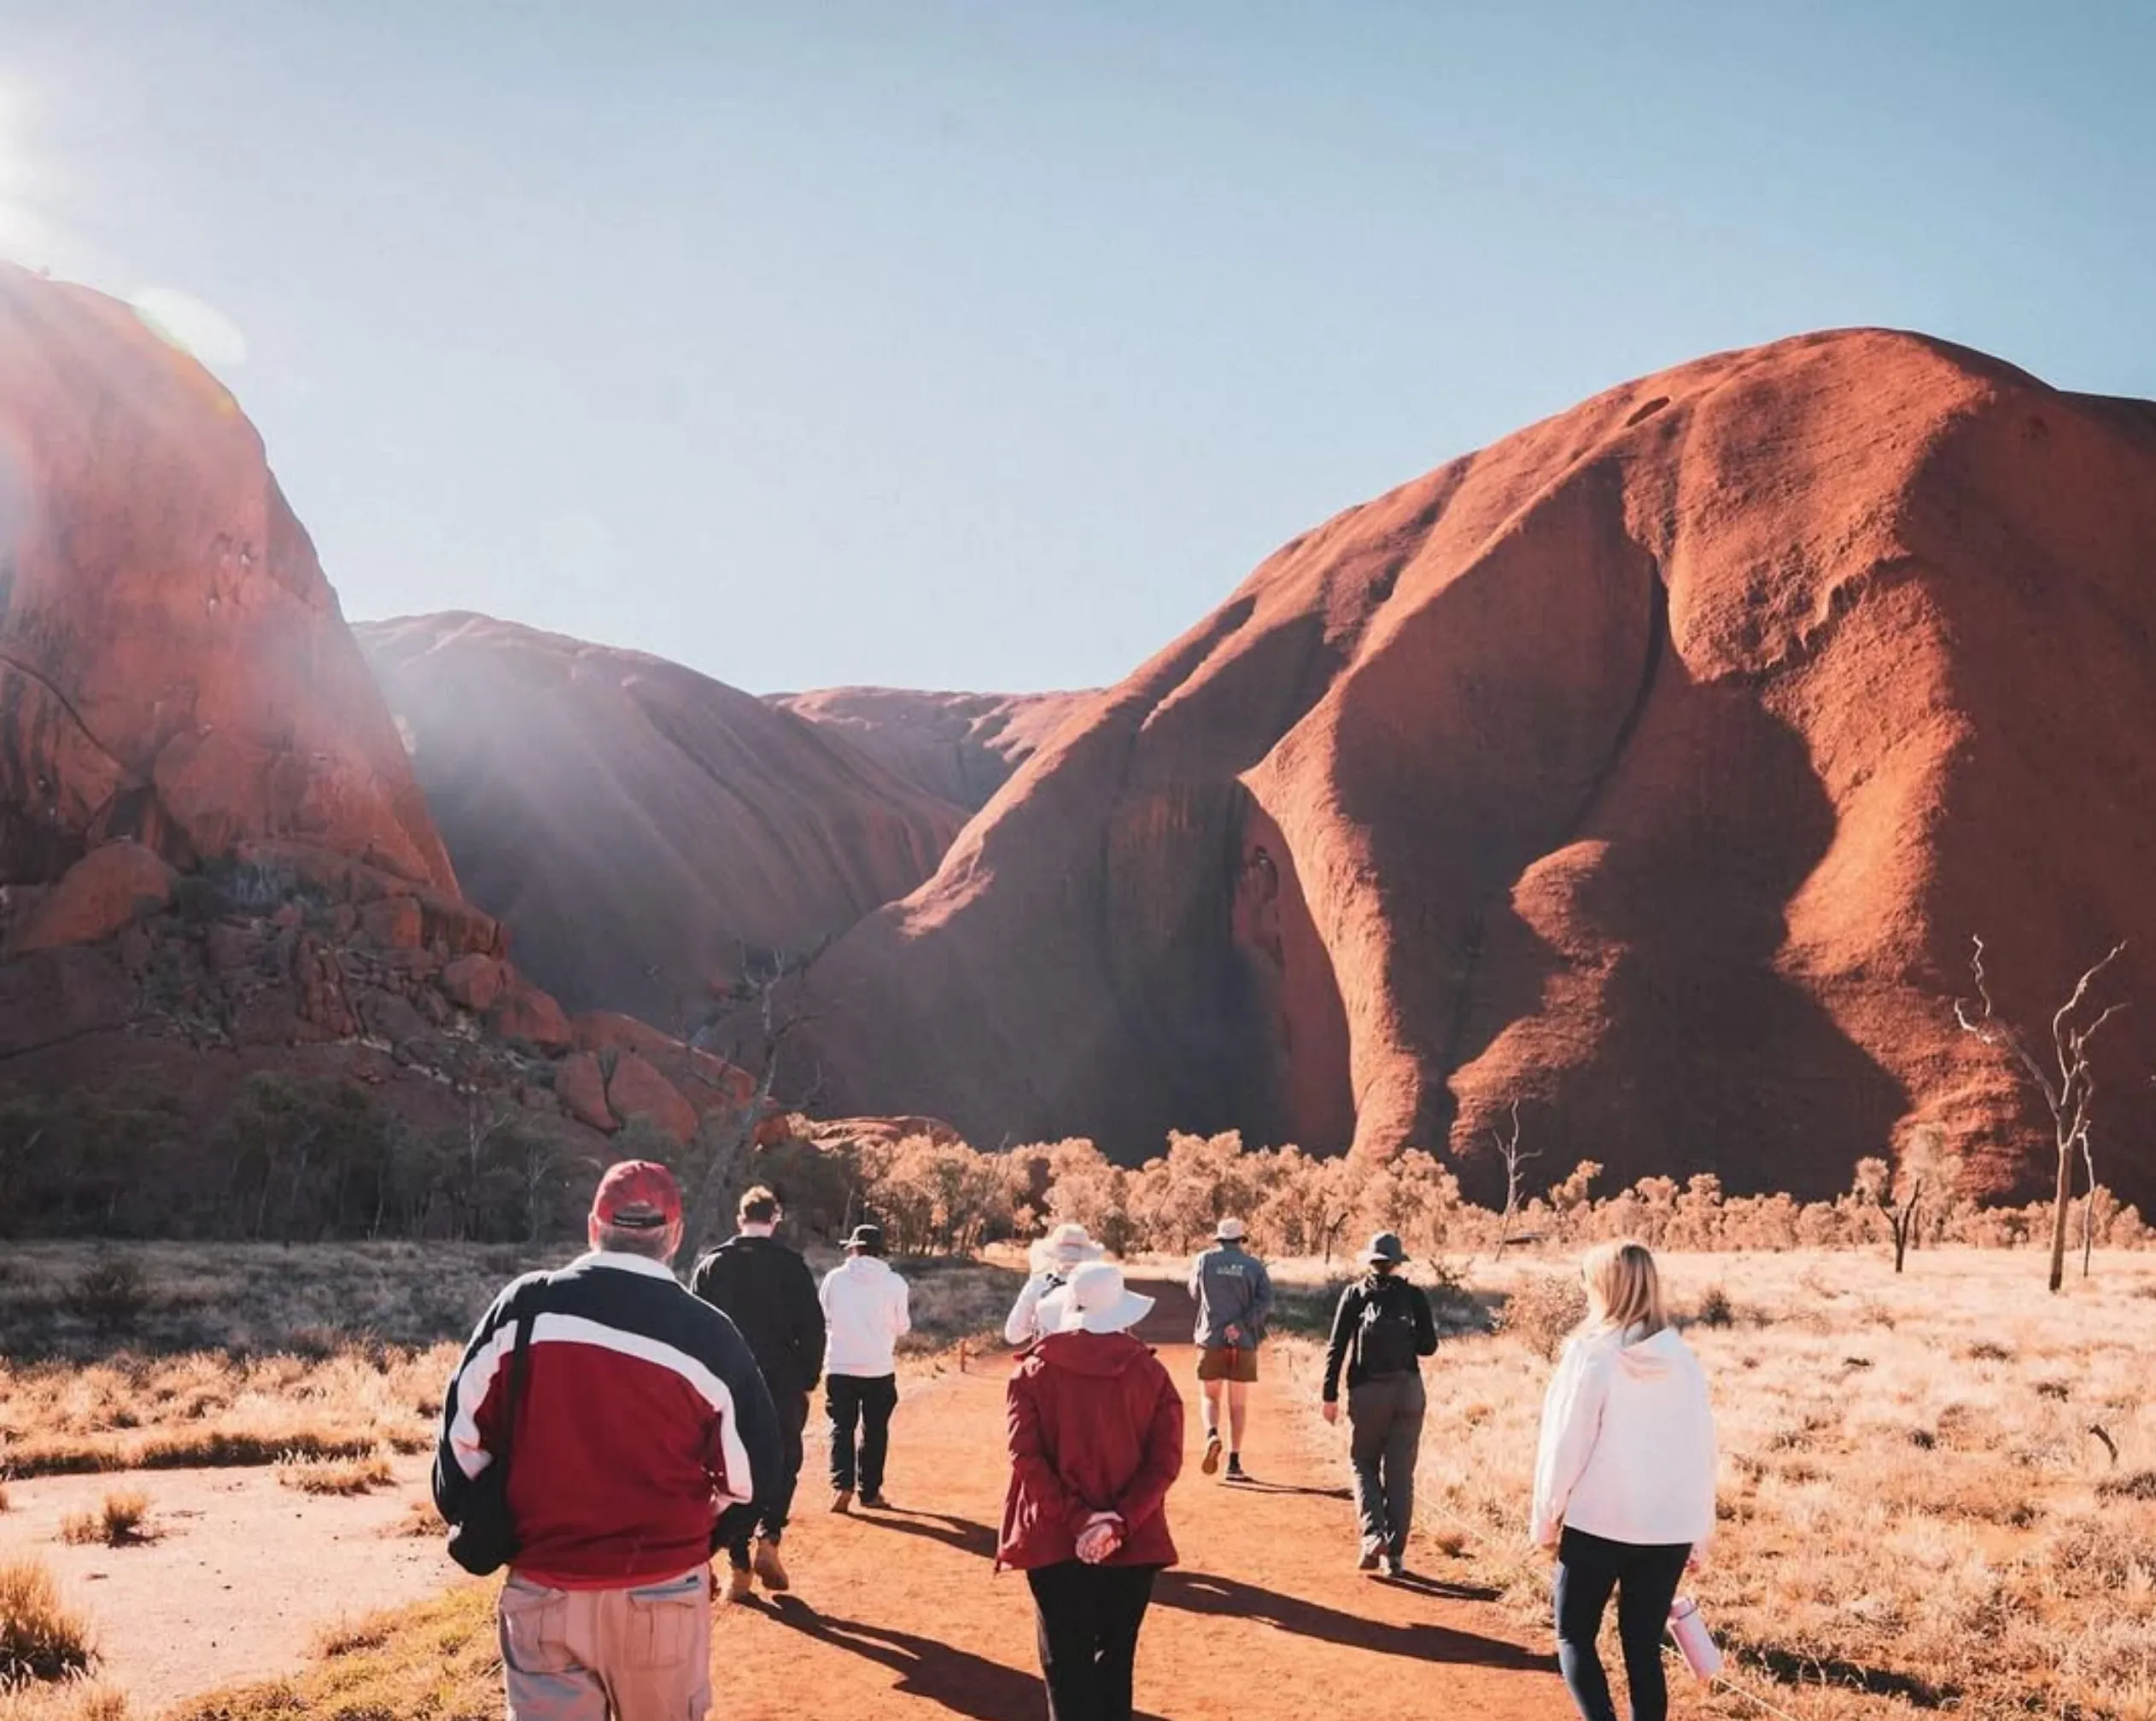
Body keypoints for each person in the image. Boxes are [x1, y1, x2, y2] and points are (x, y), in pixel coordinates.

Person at [434, 1160, 783, 1721]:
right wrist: (700, 1538)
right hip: (662, 1591)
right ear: (674, 1235)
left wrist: (498, 1521)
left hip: (544, 1590)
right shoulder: (707, 1333)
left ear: (593, 1226)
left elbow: (460, 1447)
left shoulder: (524, 1308)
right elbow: (754, 1472)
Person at [1531, 1240, 1719, 1721]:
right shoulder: (1683, 1359)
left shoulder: (1590, 1354)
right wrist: (1698, 1531)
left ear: (1604, 1288)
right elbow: (1702, 1450)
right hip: (1668, 1530)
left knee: (1574, 1634)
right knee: (1642, 1647)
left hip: (1599, 1522)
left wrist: (1546, 1518)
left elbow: (1564, 1443)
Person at [998, 1261, 1183, 1721]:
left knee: (1064, 1662)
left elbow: (1026, 1459)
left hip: (1053, 1538)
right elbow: (1164, 1462)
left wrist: (1081, 1520)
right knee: (1115, 1661)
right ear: (1122, 1314)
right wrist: (1117, 1521)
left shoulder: (1033, 1373)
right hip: (1133, 1540)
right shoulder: (1153, 1376)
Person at [688, 1183, 826, 1601]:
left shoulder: (713, 1265)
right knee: (784, 1462)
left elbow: (694, 1327)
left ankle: (739, 1565)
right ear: (775, 1218)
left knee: (729, 1470)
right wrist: (807, 1380)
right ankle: (770, 1536)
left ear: (740, 1219)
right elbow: (813, 1329)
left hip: (726, 1384)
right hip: (781, 1383)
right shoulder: (792, 1266)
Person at [1321, 1231, 1439, 1578]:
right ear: (1398, 1262)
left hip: (1368, 1392)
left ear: (1370, 1261)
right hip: (1409, 1392)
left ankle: (1373, 1536)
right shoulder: (1414, 1295)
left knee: (1363, 1462)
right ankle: (1396, 1557)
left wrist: (1329, 1395)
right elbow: (1429, 1347)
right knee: (1400, 1474)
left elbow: (1337, 1346)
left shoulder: (1355, 1294)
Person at [820, 1222, 910, 1512]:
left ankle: (841, 1485)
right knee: (875, 1430)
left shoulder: (834, 1278)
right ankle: (869, 1492)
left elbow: (824, 1316)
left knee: (841, 1427)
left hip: (840, 1364)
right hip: (878, 1368)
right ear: (880, 1252)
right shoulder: (895, 1283)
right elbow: (902, 1326)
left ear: (854, 1249)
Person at [1189, 1217, 1272, 1480]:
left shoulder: (1204, 1261)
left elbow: (1195, 1292)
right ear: (1241, 1240)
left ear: (1219, 1239)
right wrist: (1240, 1324)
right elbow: (1266, 1302)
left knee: (1209, 1396)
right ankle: (1234, 1463)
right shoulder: (1254, 1266)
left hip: (1211, 1337)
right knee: (1238, 1405)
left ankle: (1212, 1434)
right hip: (1243, 1341)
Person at [1004, 1222, 1107, 1346]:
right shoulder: (1101, 1287)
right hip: (1089, 1362)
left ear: (1054, 1254)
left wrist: (1038, 1323)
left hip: (1046, 1362)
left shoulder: (1038, 1284)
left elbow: (1013, 1335)